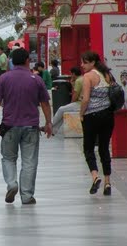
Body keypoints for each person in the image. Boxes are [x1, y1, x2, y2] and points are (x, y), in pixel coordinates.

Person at [0, 48, 52, 205]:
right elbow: (45, 103)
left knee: (8, 158)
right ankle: (27, 195)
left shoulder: (4, 78)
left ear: (11, 61)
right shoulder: (36, 79)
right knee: (29, 161)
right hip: (31, 126)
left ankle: (12, 184)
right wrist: (49, 122)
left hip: (9, 126)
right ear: (27, 61)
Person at [78, 51, 116, 196]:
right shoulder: (107, 75)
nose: (82, 65)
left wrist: (81, 113)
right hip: (108, 116)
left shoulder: (88, 77)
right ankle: (107, 182)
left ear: (93, 62)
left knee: (88, 148)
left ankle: (95, 176)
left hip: (91, 116)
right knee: (104, 148)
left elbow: (86, 99)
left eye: (85, 62)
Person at [50, 66, 83, 132]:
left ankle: (50, 126)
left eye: (71, 74)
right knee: (64, 111)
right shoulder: (82, 78)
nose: (70, 75)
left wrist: (71, 103)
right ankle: (53, 130)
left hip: (80, 104)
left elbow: (75, 95)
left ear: (73, 74)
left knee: (61, 109)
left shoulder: (78, 81)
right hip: (83, 103)